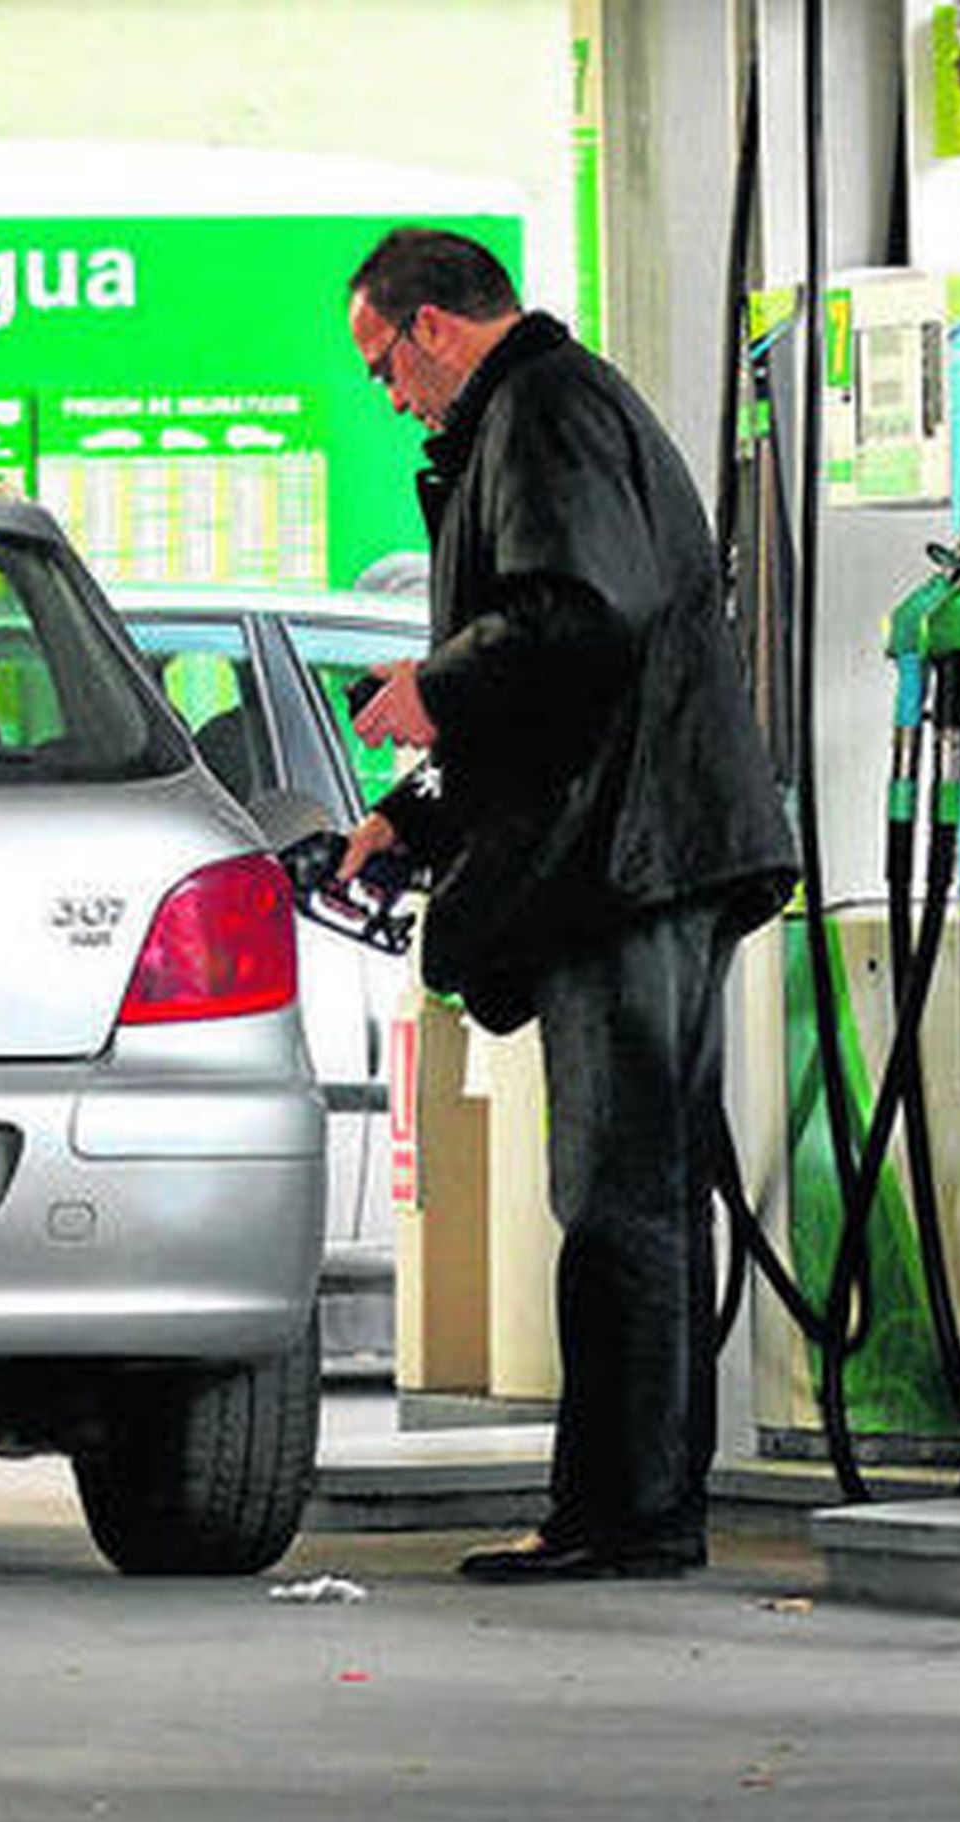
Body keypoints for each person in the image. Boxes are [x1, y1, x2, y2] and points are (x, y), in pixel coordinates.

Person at [341, 227, 797, 1581]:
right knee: (635, 1187)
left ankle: (632, 1512)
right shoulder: (545, 415)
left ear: (432, 326)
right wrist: (415, 815)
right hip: (636, 845)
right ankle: (626, 1500)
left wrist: (439, 688)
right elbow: (561, 685)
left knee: (623, 1193)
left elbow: (576, 615)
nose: (392, 397)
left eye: (384, 366)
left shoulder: (542, 410)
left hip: (636, 862)